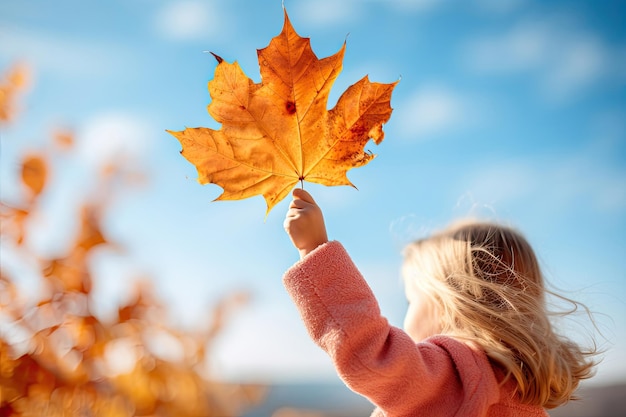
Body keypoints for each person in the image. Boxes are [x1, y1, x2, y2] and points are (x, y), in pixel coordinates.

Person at [282, 188, 598, 417]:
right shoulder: (519, 396)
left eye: (412, 300)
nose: (406, 315)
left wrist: (314, 250)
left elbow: (371, 351)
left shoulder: (457, 374)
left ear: (452, 304)